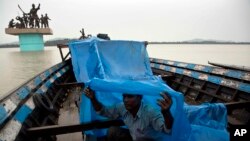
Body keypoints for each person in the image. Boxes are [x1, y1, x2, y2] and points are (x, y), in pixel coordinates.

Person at [84, 88, 174, 141]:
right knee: (112, 131)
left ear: (140, 97)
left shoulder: (150, 112)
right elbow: (104, 111)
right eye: (124, 96)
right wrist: (93, 99)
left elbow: (166, 130)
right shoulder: (122, 107)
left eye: (130, 96)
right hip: (134, 138)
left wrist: (166, 113)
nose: (125, 100)